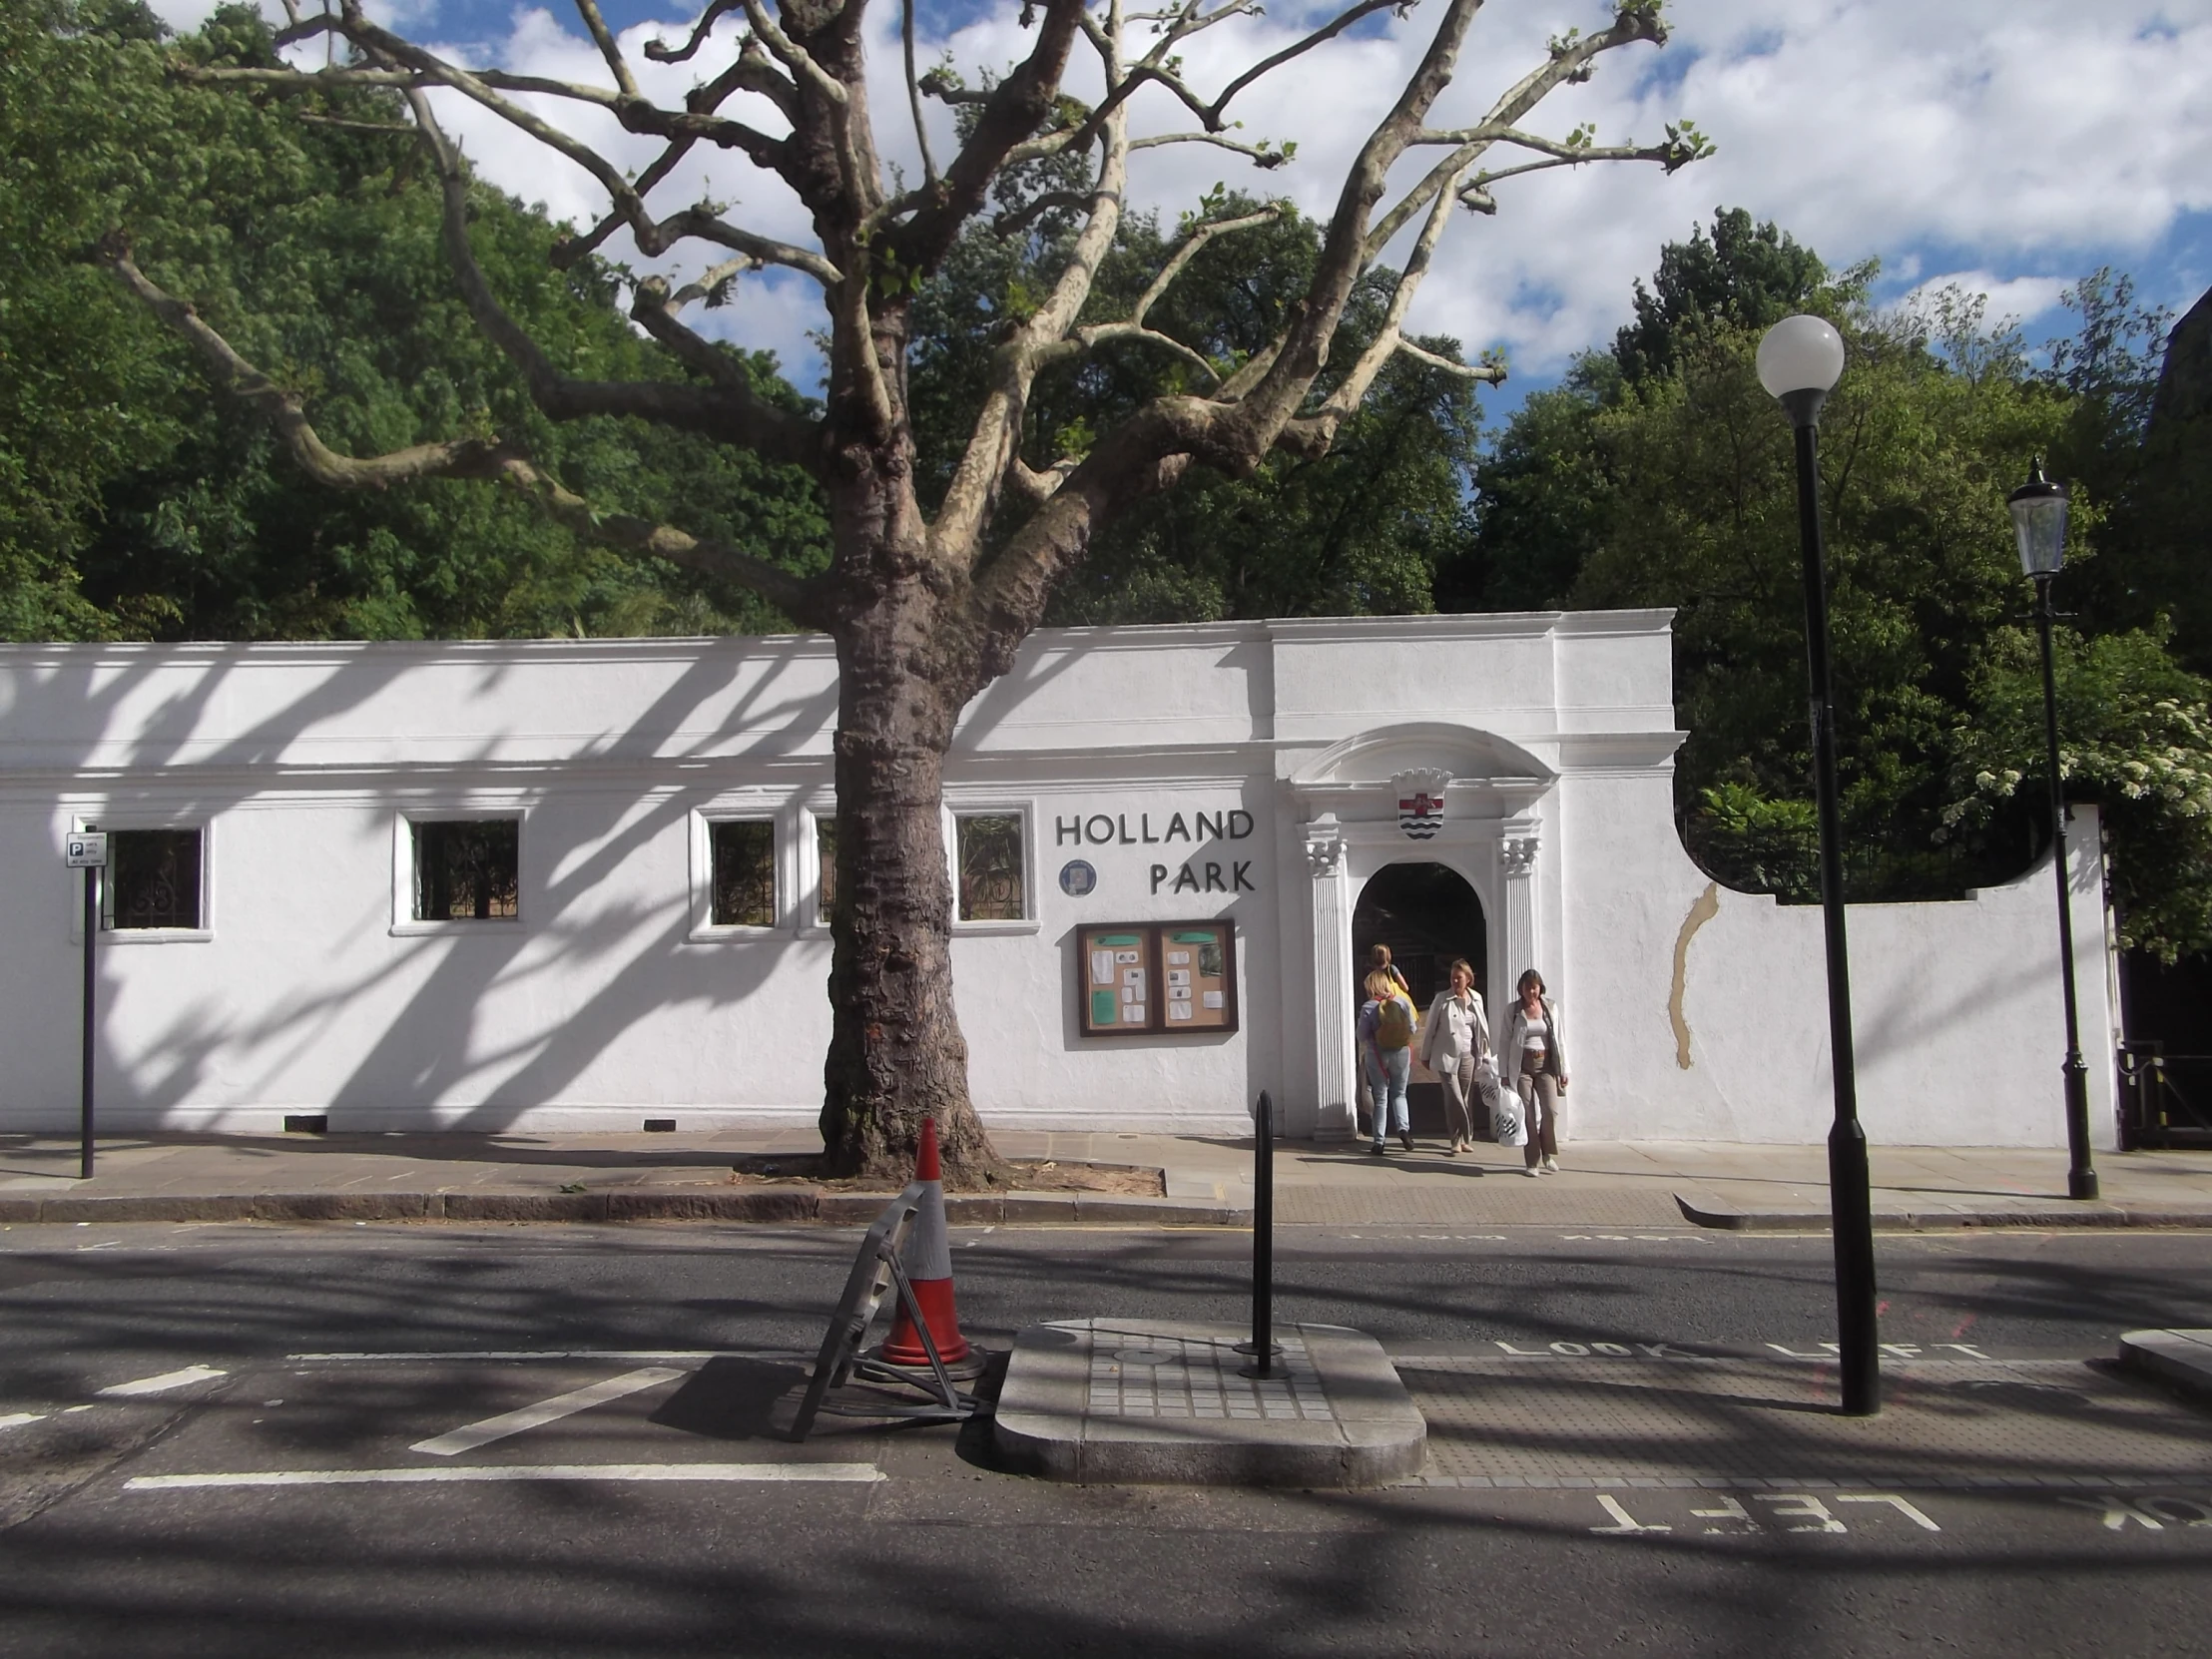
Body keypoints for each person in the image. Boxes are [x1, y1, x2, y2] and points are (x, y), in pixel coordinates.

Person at [1418, 957, 1490, 1156]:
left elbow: (1481, 1029)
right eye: (1452, 978)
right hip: (1447, 1055)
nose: (1455, 981)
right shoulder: (1441, 999)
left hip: (1469, 1054)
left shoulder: (1476, 998)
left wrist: (1485, 1054)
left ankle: (1464, 1139)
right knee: (1454, 1097)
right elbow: (1430, 1028)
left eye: (1459, 978)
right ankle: (1455, 1137)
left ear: (1468, 979)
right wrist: (1425, 1055)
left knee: (1466, 1097)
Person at [1500, 968, 1569, 1175]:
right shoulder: (1513, 1011)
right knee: (1528, 1113)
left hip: (1546, 1064)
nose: (1531, 992)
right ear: (1521, 989)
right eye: (1528, 987)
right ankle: (1532, 1161)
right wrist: (1503, 1073)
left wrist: (1564, 1069)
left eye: (1535, 987)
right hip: (1522, 1067)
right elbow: (1504, 1042)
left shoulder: (1550, 1008)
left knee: (1550, 1110)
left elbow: (1560, 1039)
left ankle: (1547, 1153)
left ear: (1540, 988)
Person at [1357, 968, 1417, 1154]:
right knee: (1399, 1093)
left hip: (1378, 1054)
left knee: (1380, 1097)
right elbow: (1413, 1029)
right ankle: (1404, 1130)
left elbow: (1361, 1036)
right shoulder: (1402, 1001)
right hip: (1402, 1052)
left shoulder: (1368, 1007)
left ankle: (1379, 1142)